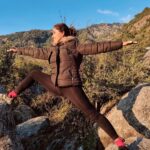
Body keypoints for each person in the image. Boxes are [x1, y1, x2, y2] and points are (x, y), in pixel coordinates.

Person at [7, 23, 137, 149]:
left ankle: (118, 141)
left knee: (93, 114)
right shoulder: (52, 50)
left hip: (71, 87)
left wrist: (121, 44)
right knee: (34, 73)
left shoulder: (75, 47)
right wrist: (18, 50)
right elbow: (35, 52)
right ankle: (13, 94)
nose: (52, 35)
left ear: (62, 33)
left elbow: (98, 47)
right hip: (55, 84)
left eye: (54, 33)